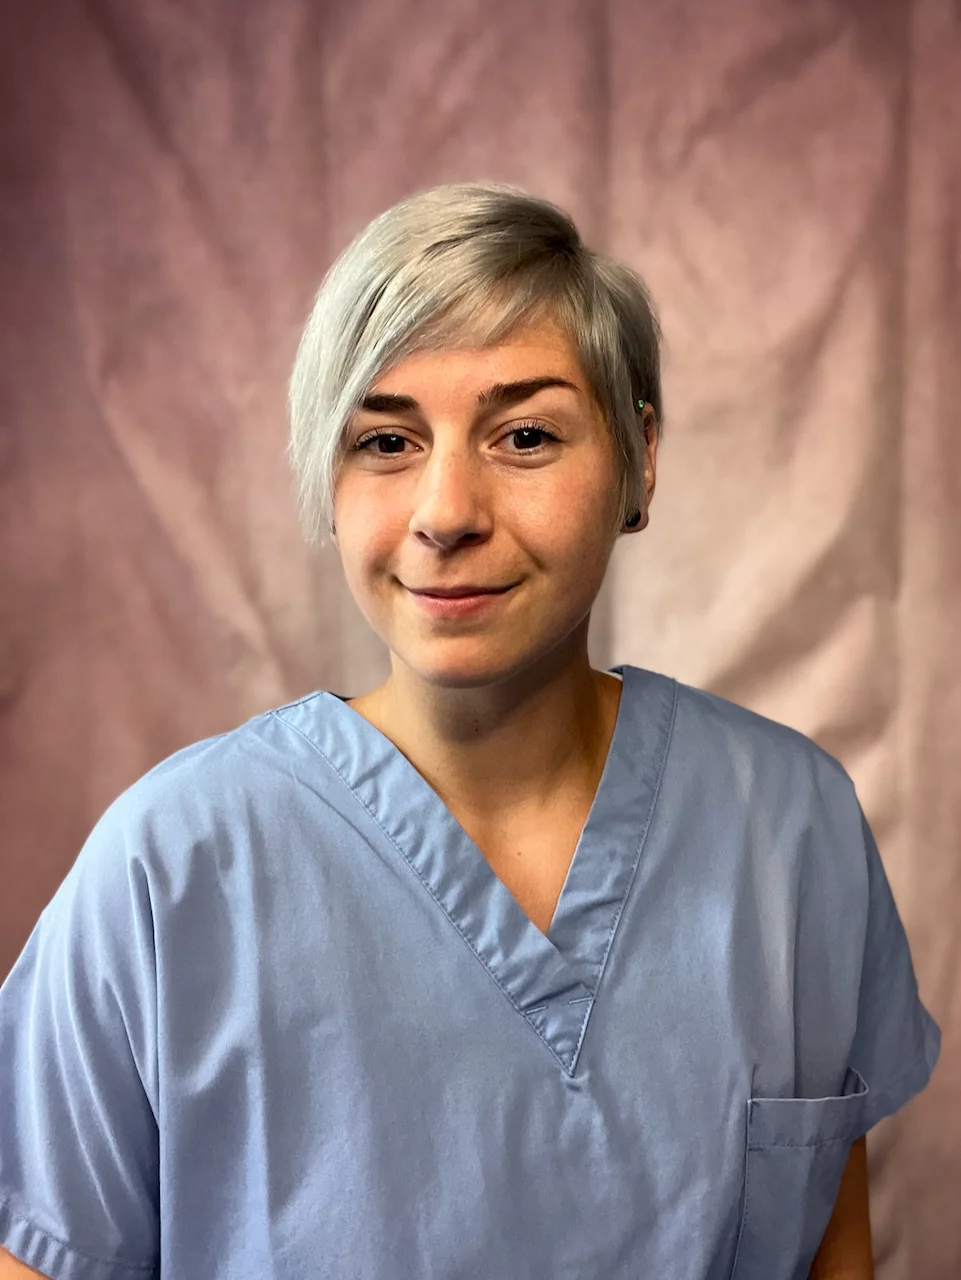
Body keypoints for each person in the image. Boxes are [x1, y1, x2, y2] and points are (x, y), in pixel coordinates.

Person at [0, 183, 940, 1280]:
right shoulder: (168, 867)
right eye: (387, 440)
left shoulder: (791, 827)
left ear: (638, 456)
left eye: (524, 435)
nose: (446, 512)